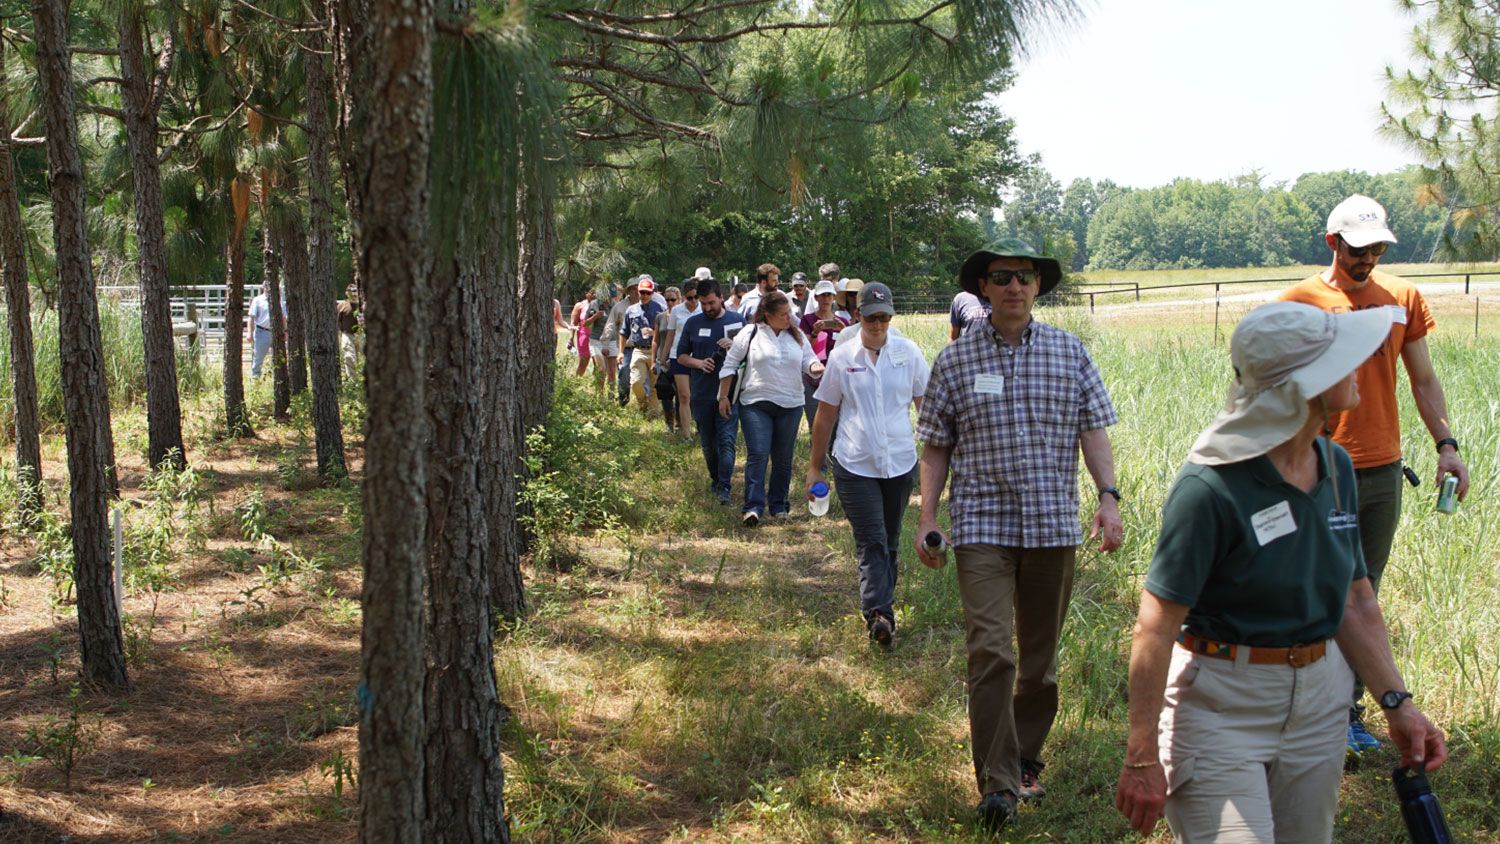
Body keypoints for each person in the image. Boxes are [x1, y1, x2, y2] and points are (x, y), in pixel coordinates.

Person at [1114, 301, 1448, 843]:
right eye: (1343, 360)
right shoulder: (1210, 488)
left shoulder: (1335, 465)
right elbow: (1154, 626)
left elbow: (1354, 599)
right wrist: (1141, 756)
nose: (1360, 367)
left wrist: (1397, 704)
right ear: (1301, 387)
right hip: (1220, 706)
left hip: (1320, 703)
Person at [914, 238, 1124, 830]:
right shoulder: (954, 361)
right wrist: (929, 517)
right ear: (983, 287)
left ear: (1037, 287)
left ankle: (1026, 756)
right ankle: (999, 785)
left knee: (1039, 664)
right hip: (983, 525)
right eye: (1001, 277)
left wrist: (1108, 499)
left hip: (1053, 526)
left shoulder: (1069, 352)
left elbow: (1094, 432)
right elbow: (935, 447)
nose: (1013, 287)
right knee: (989, 652)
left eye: (1023, 277)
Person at [1278, 194, 1472, 755]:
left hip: (1383, 470)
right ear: (1332, 243)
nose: (1368, 259)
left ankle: (1349, 713)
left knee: (1364, 594)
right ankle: (1301, 710)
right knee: (1311, 588)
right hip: (1314, 470)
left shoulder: (1402, 298)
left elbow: (1424, 379)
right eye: (1358, 249)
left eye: (1378, 249)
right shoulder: (1299, 300)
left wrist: (1447, 445)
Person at [806, 283, 928, 648]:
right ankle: (879, 613)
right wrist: (815, 467)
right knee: (872, 539)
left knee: (890, 538)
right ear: (858, 316)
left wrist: (943, 452)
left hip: (900, 463)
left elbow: (926, 407)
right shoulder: (843, 358)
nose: (878, 324)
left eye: (884, 317)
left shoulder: (908, 353)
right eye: (871, 317)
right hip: (855, 463)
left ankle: (882, 607)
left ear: (891, 317)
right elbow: (826, 415)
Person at [718, 290, 822, 526]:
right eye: (784, 315)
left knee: (783, 458)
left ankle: (779, 505)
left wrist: (815, 367)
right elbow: (730, 364)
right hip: (756, 403)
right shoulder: (750, 333)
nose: (789, 319)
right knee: (758, 454)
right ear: (767, 314)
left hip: (791, 403)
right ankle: (753, 507)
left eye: (790, 314)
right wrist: (723, 396)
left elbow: (809, 359)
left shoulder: (796, 336)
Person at [677, 279, 746, 506]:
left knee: (726, 440)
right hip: (702, 392)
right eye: (703, 303)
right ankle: (715, 480)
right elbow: (681, 356)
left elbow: (751, 355)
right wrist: (698, 364)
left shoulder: (737, 321)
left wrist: (735, 345)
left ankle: (724, 487)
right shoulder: (692, 323)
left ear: (721, 297)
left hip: (730, 393)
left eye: (711, 303)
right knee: (708, 442)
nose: (706, 308)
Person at [798, 279, 849, 430]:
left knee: (838, 423)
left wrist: (844, 331)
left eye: (829, 295)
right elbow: (804, 350)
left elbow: (850, 350)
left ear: (834, 297)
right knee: (816, 422)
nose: (826, 299)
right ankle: (818, 451)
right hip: (813, 377)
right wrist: (814, 333)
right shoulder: (807, 320)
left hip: (837, 377)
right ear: (816, 298)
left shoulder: (843, 321)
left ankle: (833, 452)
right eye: (823, 295)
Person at [660, 279, 701, 436]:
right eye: (689, 298)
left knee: (696, 395)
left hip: (698, 357)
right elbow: (670, 335)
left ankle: (700, 426)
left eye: (696, 297)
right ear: (684, 297)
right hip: (678, 355)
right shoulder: (677, 310)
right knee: (684, 396)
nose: (693, 301)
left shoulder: (704, 310)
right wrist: (663, 358)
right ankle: (686, 434)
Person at [623, 277, 666, 413]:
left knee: (654, 386)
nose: (645, 295)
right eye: (642, 292)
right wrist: (620, 352)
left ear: (652, 293)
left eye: (648, 292)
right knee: (636, 382)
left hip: (655, 350)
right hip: (638, 350)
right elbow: (623, 332)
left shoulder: (660, 309)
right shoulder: (631, 310)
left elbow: (665, 332)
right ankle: (643, 404)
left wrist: (654, 333)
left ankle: (653, 413)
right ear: (637, 292)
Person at [651, 287, 681, 431]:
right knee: (664, 391)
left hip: (679, 358)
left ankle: (680, 422)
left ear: (679, 300)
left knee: (681, 394)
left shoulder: (683, 316)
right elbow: (656, 340)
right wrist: (653, 360)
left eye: (673, 299)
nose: (670, 302)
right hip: (662, 360)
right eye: (667, 299)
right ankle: (669, 422)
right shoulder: (660, 317)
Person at [589, 285, 624, 393]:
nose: (610, 300)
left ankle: (611, 398)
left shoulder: (616, 305)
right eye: (608, 297)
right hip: (596, 340)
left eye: (612, 297)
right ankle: (599, 396)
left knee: (612, 372)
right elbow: (585, 323)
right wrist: (595, 316)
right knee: (601, 369)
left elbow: (621, 325)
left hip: (612, 340)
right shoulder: (594, 304)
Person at [335, 283, 363, 380]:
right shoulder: (342, 305)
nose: (354, 293)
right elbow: (337, 321)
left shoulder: (362, 305)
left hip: (361, 334)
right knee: (349, 357)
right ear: (347, 293)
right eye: (351, 291)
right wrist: (339, 335)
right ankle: (353, 382)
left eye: (355, 291)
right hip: (347, 335)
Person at [570, 290, 599, 377]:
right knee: (583, 363)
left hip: (597, 338)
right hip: (584, 337)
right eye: (591, 293)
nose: (594, 295)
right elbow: (573, 323)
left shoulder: (601, 305)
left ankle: (598, 388)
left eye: (595, 293)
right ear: (586, 293)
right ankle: (576, 383)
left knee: (598, 364)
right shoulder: (580, 305)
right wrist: (571, 338)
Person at [248, 282, 274, 379]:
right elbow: (251, 317)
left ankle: (273, 380)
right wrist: (250, 333)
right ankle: (255, 381)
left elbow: (283, 317)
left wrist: (285, 331)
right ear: (264, 288)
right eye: (267, 286)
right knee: (258, 359)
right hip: (262, 332)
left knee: (277, 359)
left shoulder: (278, 300)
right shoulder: (257, 300)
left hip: (276, 332)